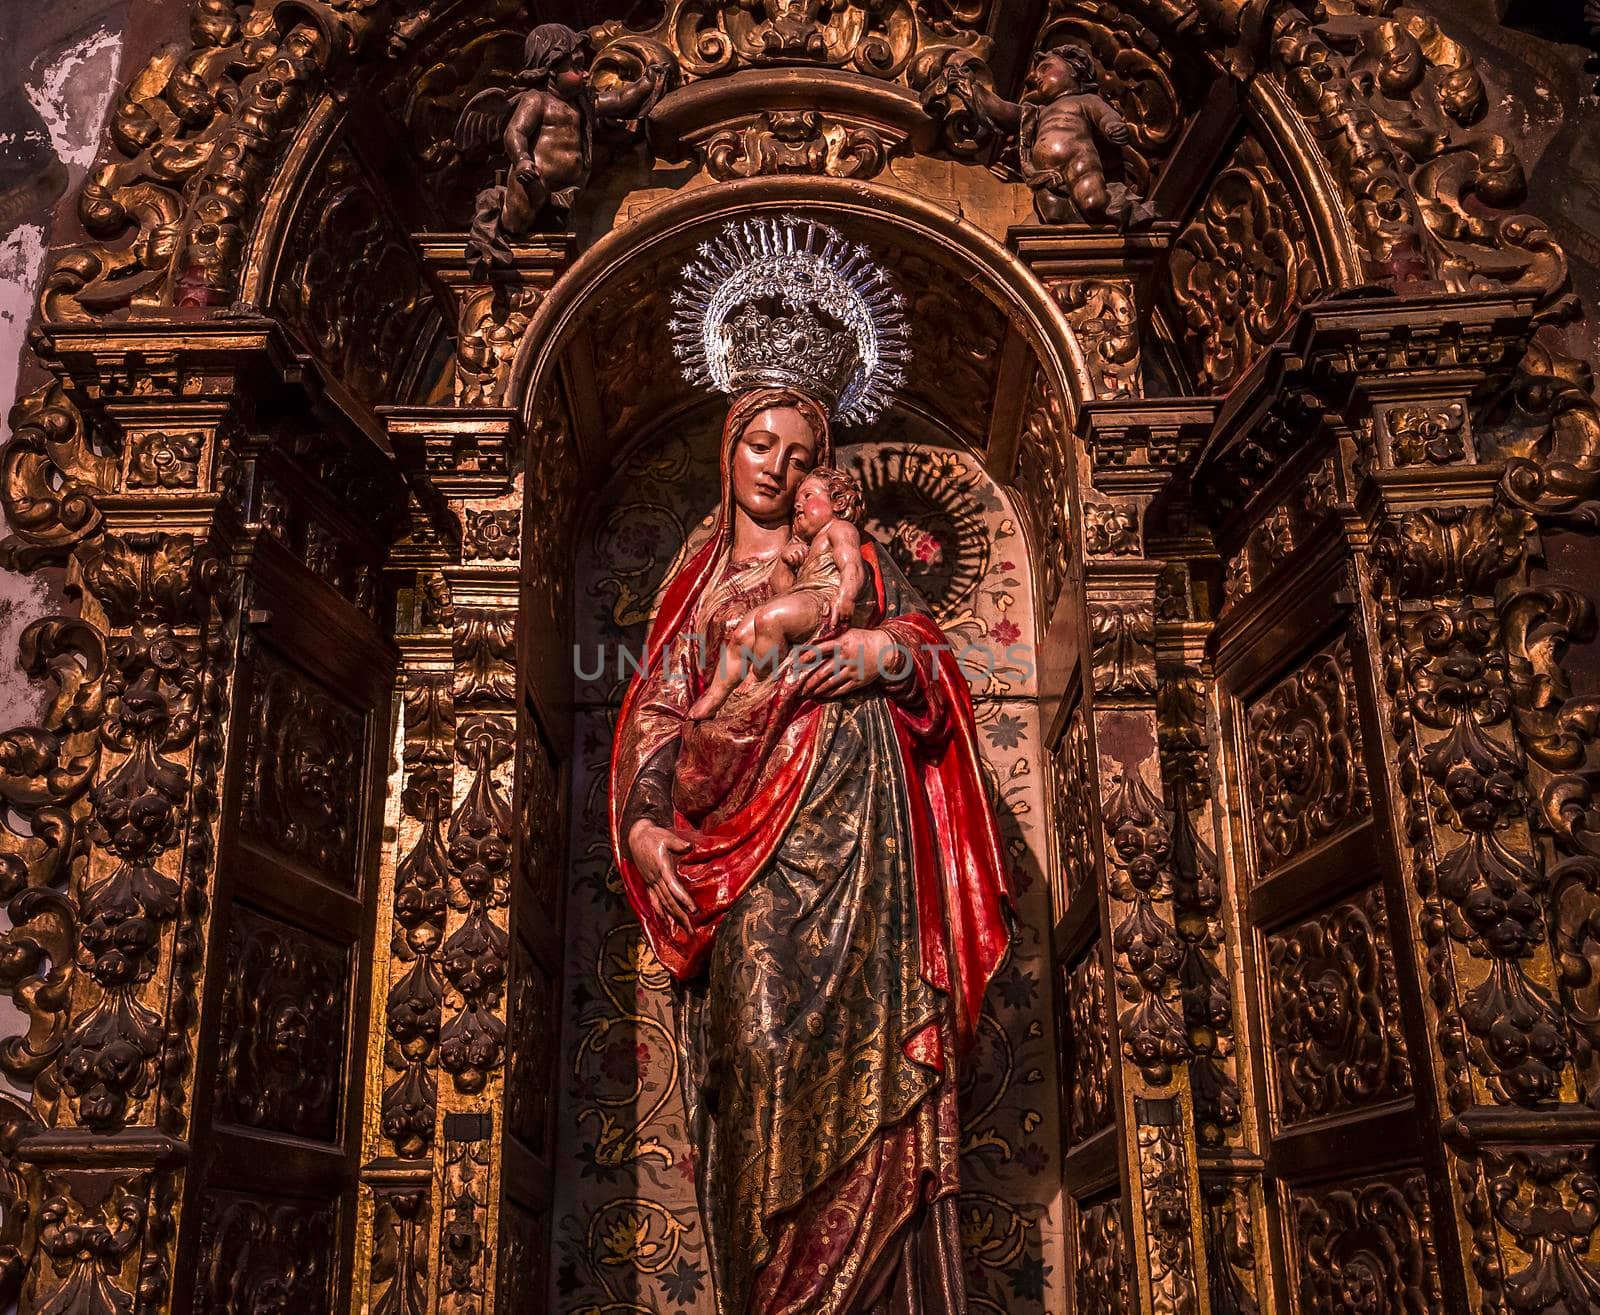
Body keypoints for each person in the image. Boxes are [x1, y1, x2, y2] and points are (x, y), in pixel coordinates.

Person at [610, 386, 1012, 1315]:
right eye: (760, 444)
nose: (777, 468)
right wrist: (641, 822)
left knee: (883, 1063)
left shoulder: (852, 558)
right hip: (748, 852)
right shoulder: (698, 584)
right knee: (761, 1055)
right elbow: (660, 717)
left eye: (799, 456)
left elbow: (929, 658)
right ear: (727, 452)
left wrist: (882, 654)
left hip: (868, 839)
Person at [686, 464, 871, 725]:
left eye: (808, 496)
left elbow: (851, 564)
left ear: (838, 503)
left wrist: (846, 595)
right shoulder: (803, 546)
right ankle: (715, 695)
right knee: (743, 632)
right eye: (796, 503)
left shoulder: (839, 529)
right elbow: (782, 592)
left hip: (825, 599)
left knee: (770, 619)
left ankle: (760, 676)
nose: (798, 506)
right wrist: (784, 562)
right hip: (804, 596)